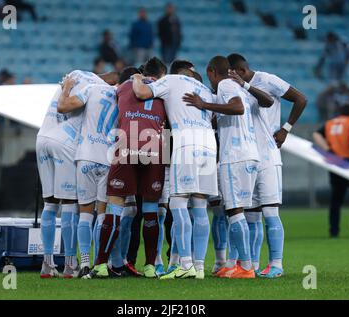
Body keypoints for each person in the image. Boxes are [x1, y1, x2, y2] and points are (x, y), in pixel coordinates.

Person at [183, 56, 274, 279]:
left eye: (210, 77)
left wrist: (203, 104)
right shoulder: (240, 88)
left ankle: (245, 267)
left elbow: (237, 108)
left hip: (235, 157)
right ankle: (240, 264)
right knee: (238, 210)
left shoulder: (225, 84)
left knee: (234, 211)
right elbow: (256, 104)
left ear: (212, 71)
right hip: (251, 155)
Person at [133, 60, 217, 280]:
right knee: (200, 206)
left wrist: (138, 78)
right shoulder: (204, 89)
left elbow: (142, 93)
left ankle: (184, 264)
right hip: (209, 145)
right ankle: (199, 267)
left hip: (186, 144)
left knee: (177, 203)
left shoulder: (171, 80)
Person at [54, 67, 140, 278]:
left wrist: (65, 89)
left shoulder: (92, 89)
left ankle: (83, 264)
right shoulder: (125, 98)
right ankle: (98, 263)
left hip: (85, 156)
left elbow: (64, 106)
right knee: (102, 214)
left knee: (84, 212)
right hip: (108, 159)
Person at [227, 53, 307, 278]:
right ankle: (251, 264)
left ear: (240, 71)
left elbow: (301, 98)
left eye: (232, 74)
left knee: (270, 210)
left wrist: (286, 129)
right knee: (251, 213)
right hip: (248, 154)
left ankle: (276, 264)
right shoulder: (236, 87)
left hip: (268, 155)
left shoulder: (268, 80)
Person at [88, 57, 167, 279]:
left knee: (115, 206)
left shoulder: (123, 86)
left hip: (126, 142)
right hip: (154, 147)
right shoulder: (165, 89)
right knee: (151, 209)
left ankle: (101, 265)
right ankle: (151, 266)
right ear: (162, 74)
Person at [36, 70, 117, 278]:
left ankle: (47, 263)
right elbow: (67, 106)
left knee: (50, 204)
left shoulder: (75, 75)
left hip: (43, 137)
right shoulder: (101, 89)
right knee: (71, 204)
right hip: (66, 142)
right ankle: (70, 264)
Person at [313, 104, 349, 237]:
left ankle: (333, 230)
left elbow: (316, 134)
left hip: (334, 163)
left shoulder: (330, 123)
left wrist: (327, 149)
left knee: (336, 198)